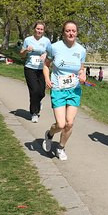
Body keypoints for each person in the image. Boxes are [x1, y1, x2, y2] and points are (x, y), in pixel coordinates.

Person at [41, 21, 87, 161]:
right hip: (58, 89)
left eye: (73, 31)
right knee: (60, 124)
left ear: (77, 33)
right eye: (68, 31)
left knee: (69, 123)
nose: (71, 33)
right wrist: (47, 79)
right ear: (63, 33)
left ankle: (60, 147)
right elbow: (46, 65)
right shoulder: (54, 47)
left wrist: (83, 75)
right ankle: (49, 134)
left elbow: (81, 68)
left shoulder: (81, 50)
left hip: (74, 90)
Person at [20, 21, 50, 123]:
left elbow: (50, 54)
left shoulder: (46, 41)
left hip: (42, 69)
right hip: (30, 68)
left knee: (41, 92)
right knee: (34, 90)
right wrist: (26, 51)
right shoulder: (28, 40)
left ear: (43, 31)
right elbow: (22, 55)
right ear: (34, 29)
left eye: (41, 29)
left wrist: (45, 54)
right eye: (38, 29)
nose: (39, 31)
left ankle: (37, 102)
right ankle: (34, 113)